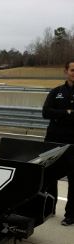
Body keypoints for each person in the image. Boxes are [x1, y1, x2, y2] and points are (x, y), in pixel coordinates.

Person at [42, 58, 74, 226]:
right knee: (49, 175)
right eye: (73, 70)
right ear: (66, 72)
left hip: (73, 142)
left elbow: (53, 114)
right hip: (53, 139)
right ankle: (49, 207)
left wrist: (59, 115)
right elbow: (45, 112)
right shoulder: (56, 92)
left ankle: (71, 215)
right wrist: (67, 112)